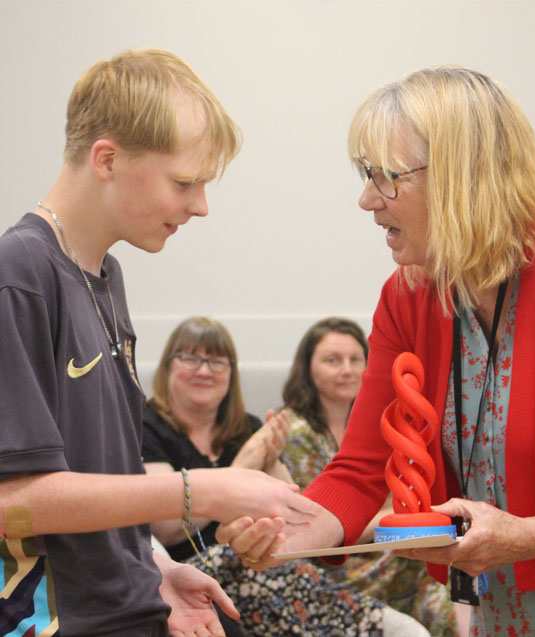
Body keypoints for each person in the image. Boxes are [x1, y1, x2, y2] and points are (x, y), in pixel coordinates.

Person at [216, 65, 535, 636]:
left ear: (461, 177)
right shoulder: (409, 295)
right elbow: (362, 465)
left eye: (385, 177)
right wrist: (295, 528)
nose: (367, 199)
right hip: (499, 611)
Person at [0, 48, 320, 637]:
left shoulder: (105, 278)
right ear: (107, 159)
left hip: (134, 601)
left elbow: (106, 476)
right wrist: (206, 488)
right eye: (185, 182)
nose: (200, 205)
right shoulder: (19, 273)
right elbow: (15, 500)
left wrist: (157, 564)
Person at [142, 316, 430, 637]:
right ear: (168, 366)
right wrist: (243, 465)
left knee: (279, 565)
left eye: (216, 361)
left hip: (263, 557)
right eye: (191, 358)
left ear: (231, 373)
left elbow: (286, 505)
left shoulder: (246, 427)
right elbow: (166, 528)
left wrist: (273, 458)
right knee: (260, 567)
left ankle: (379, 625)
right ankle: (375, 625)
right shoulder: (148, 426)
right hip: (195, 564)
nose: (204, 370)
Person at [279, 316, 459, 636]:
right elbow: (320, 518)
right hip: (335, 566)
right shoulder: (294, 429)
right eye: (333, 360)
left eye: (355, 360)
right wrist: (403, 515)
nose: (347, 370)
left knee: (447, 597)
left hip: (396, 553)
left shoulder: (385, 419)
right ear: (307, 368)